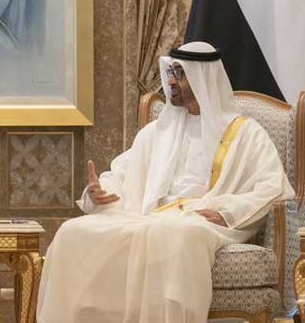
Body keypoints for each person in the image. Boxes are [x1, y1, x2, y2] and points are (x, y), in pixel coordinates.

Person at [36, 41, 295, 323]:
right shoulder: (158, 130)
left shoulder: (245, 133)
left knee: (175, 233)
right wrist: (100, 193)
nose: (170, 81)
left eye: (179, 74)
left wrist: (228, 212)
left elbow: (273, 187)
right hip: (150, 216)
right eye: (170, 72)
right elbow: (122, 174)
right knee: (73, 232)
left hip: (203, 220)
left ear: (203, 78)